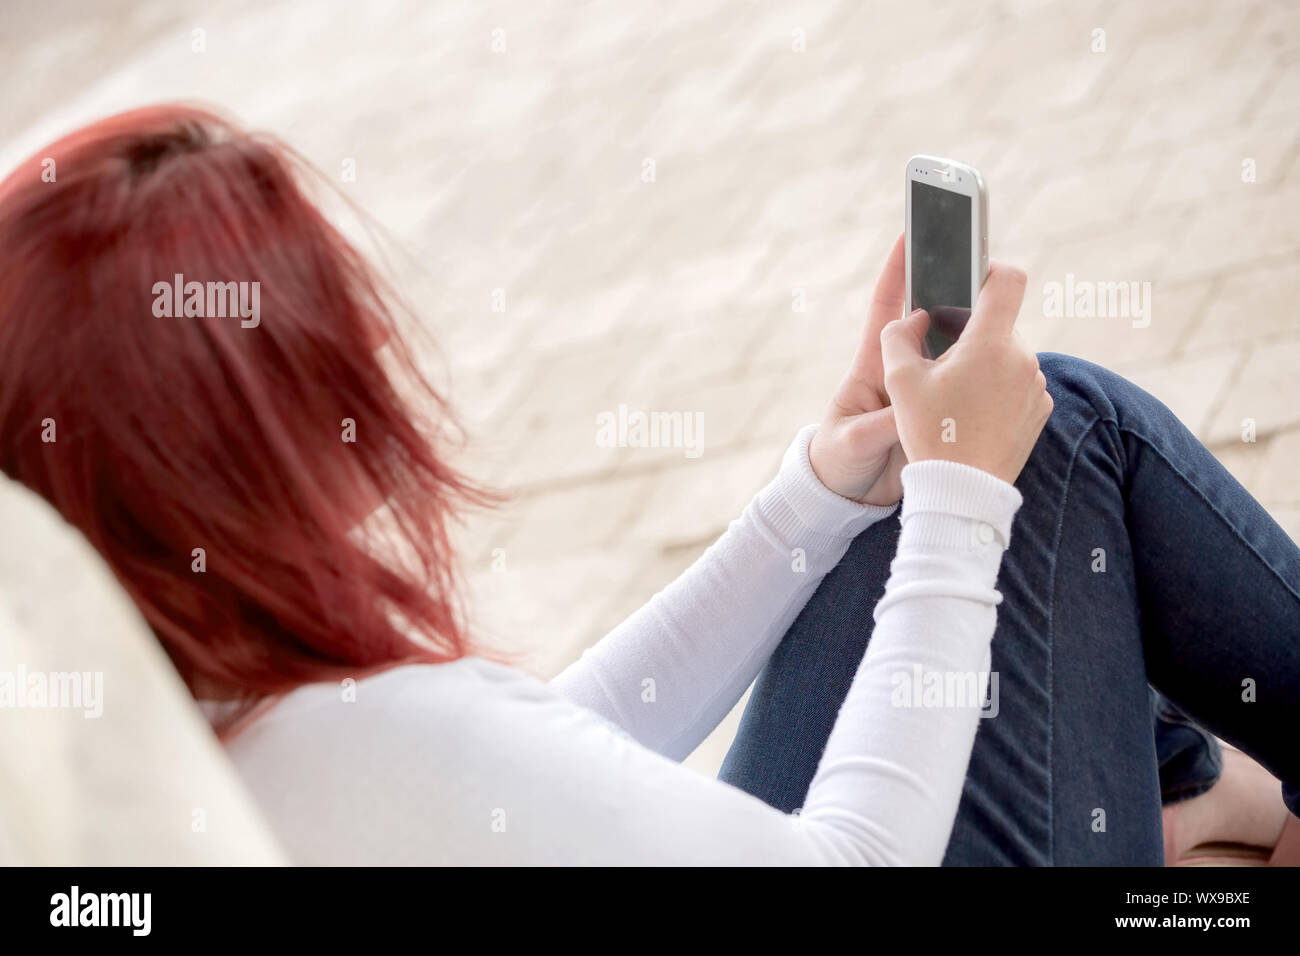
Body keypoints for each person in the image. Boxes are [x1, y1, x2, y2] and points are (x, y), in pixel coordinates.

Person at [0, 104, 1294, 865]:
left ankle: (1187, 785)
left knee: (886, 509)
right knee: (1057, 437)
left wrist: (822, 487)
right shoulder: (360, 739)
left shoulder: (165, 739)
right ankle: (1196, 781)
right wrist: (961, 501)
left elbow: (533, 763)